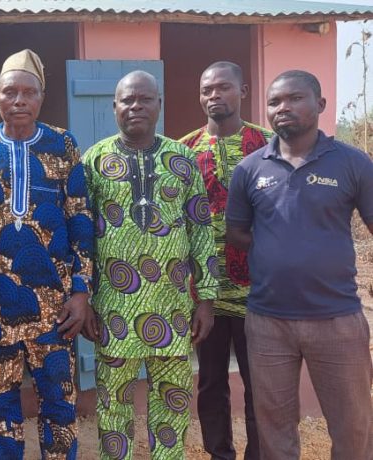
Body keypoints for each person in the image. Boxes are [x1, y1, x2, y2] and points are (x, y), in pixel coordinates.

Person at [226, 70, 373, 460]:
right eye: (274, 102)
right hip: (267, 323)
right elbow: (237, 232)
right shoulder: (249, 170)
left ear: (320, 105)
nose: (282, 108)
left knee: (353, 428)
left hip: (337, 320)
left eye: (294, 98)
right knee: (275, 432)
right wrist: (280, 248)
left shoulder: (353, 163)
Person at [82, 70, 217, 459]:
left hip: (172, 309)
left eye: (144, 99)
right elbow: (82, 237)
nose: (135, 106)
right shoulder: (95, 161)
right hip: (114, 309)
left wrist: (205, 299)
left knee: (173, 402)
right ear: (114, 108)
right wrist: (85, 298)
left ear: (159, 104)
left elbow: (201, 230)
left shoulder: (183, 159)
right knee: (113, 404)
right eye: (127, 100)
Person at [0, 49, 94, 460]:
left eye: (29, 92)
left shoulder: (63, 145)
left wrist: (81, 292)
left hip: (55, 310)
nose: (20, 100)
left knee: (59, 404)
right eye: (11, 92)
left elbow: (80, 219)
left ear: (42, 97)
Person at [178, 61, 271, 460]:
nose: (213, 96)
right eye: (206, 90)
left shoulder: (270, 145)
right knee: (211, 383)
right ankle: (220, 453)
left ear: (243, 91)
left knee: (261, 384)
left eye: (222, 88)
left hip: (262, 292)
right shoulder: (184, 150)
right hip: (206, 297)